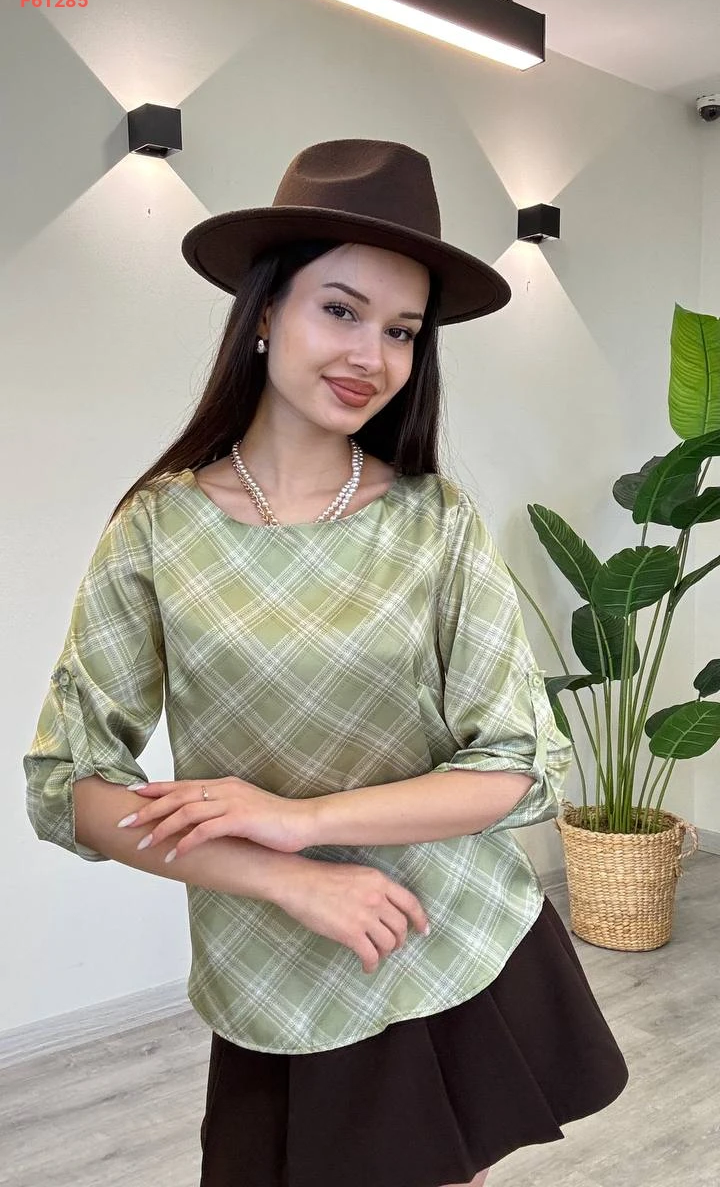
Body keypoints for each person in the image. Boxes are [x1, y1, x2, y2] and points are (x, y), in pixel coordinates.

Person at [23, 138, 629, 1187]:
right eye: (341, 310)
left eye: (402, 330)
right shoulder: (158, 528)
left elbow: (518, 765)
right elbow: (67, 786)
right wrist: (284, 876)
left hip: (448, 933)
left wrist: (301, 819)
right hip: (274, 966)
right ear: (264, 311)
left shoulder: (433, 520)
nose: (372, 355)